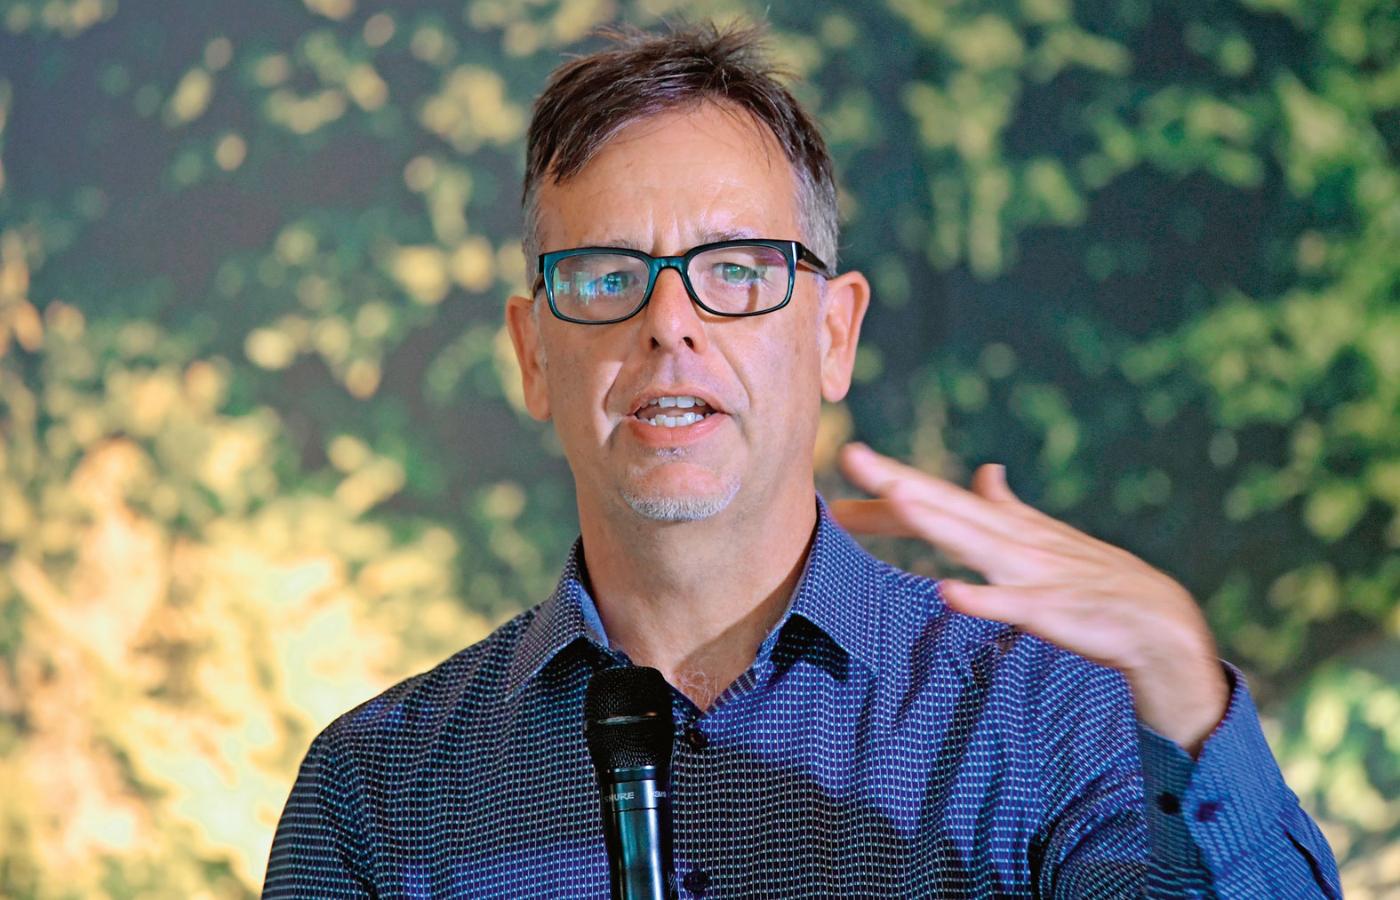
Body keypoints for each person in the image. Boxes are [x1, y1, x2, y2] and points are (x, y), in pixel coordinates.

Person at [263, 22, 1340, 898]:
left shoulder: (1046, 718)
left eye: (736, 270)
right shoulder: (380, 789)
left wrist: (1179, 683)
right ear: (532, 354)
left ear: (834, 334)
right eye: (607, 276)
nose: (669, 324)